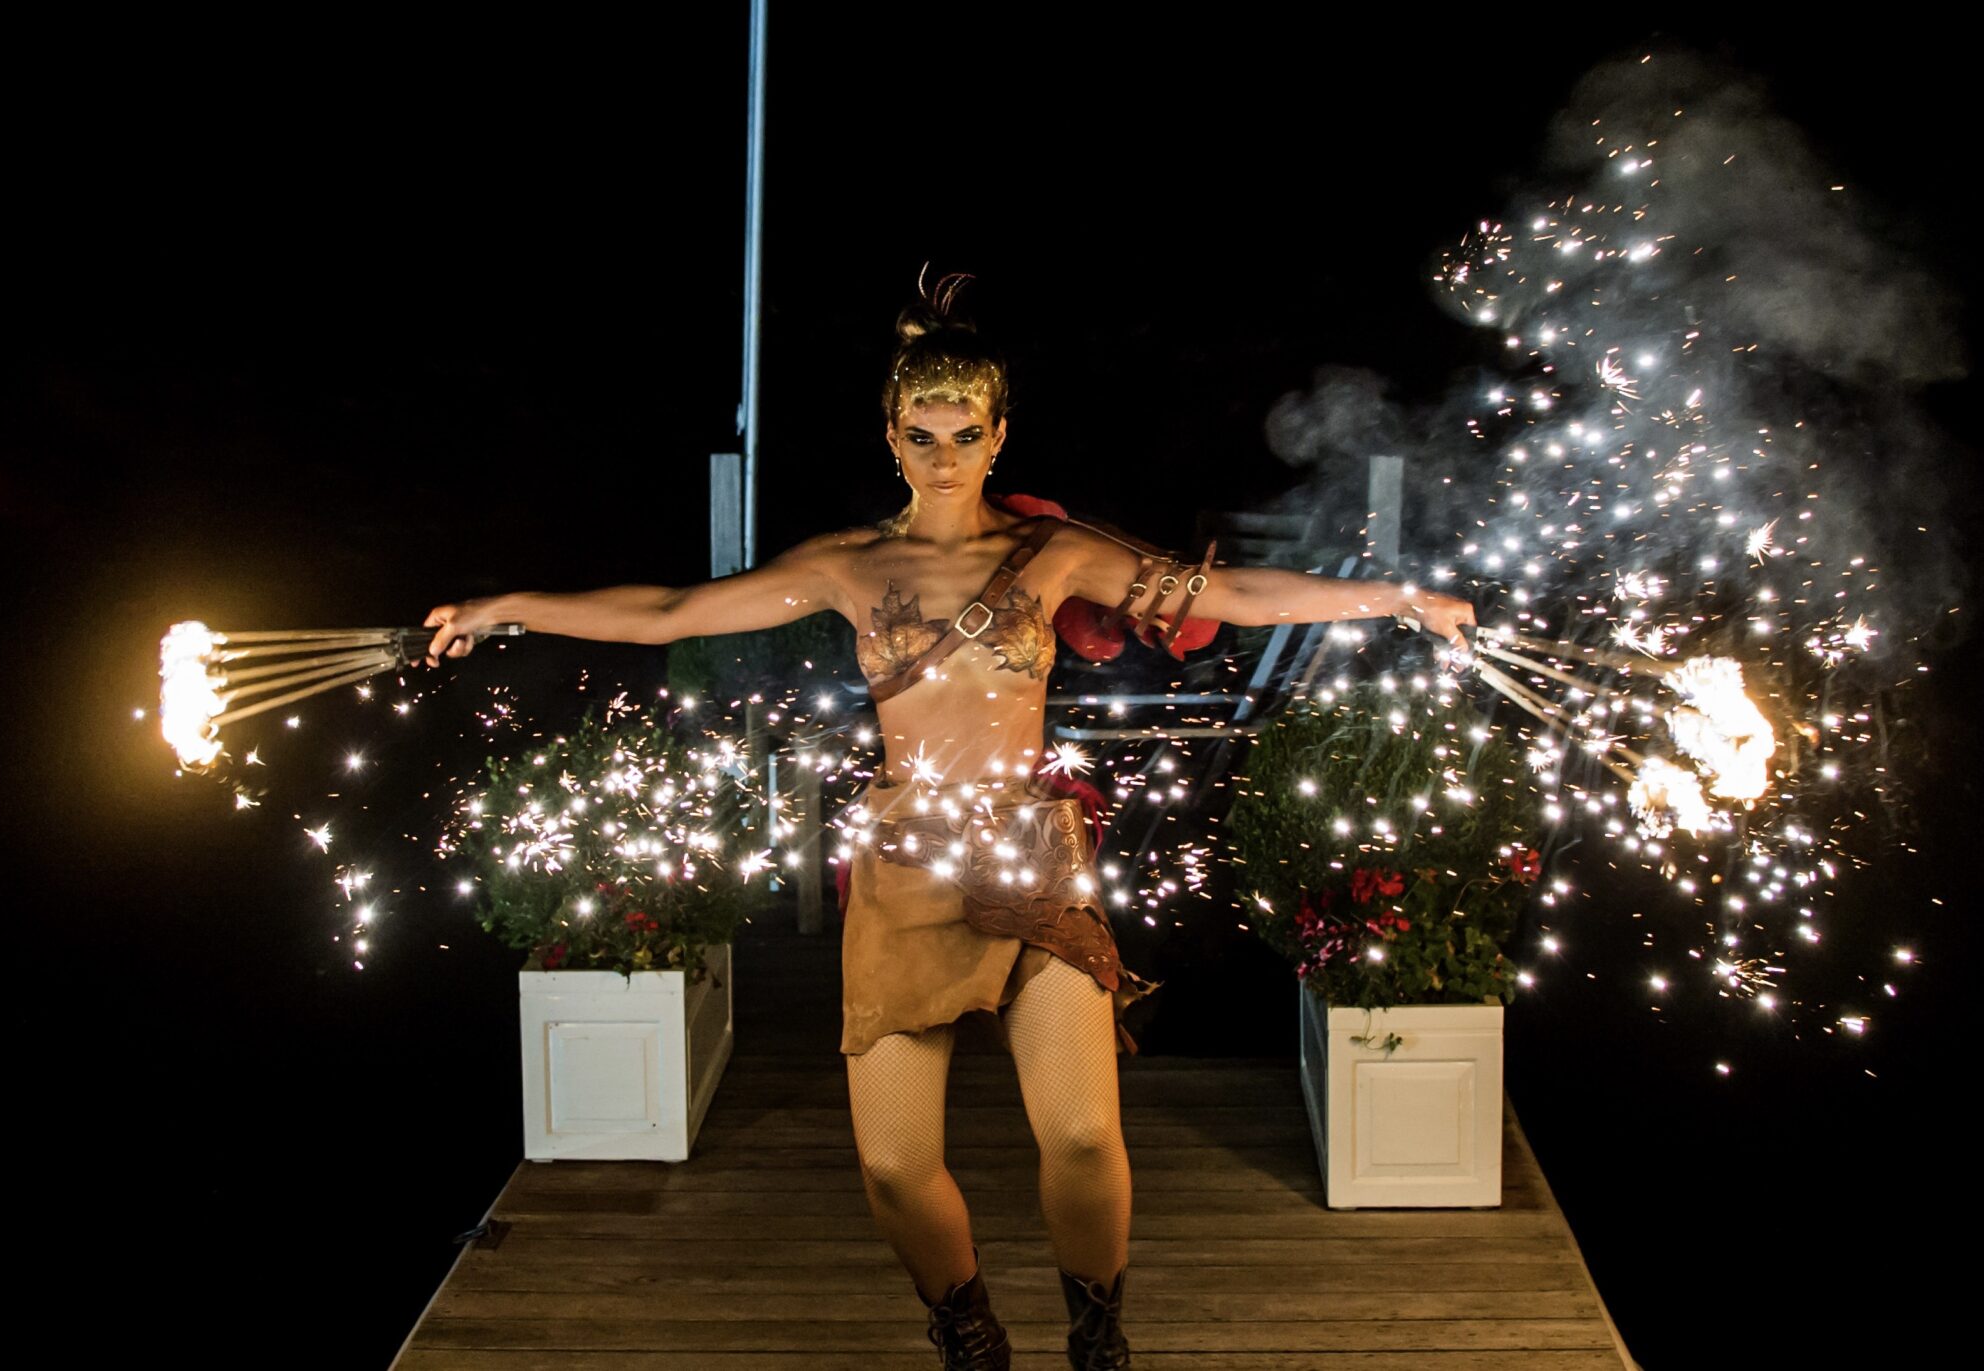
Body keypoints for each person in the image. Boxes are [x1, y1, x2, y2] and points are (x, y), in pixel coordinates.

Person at [421, 271, 1477, 1371]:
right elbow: (673, 612)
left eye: (963, 432)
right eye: (919, 434)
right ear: (888, 435)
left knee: (1077, 1131)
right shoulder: (846, 564)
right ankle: (964, 1321)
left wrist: (1395, 599)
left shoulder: (1052, 556)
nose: (941, 454)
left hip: (1028, 851)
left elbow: (1234, 595)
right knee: (889, 1165)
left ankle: (1096, 1324)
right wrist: (509, 607)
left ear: (998, 435)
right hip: (904, 861)